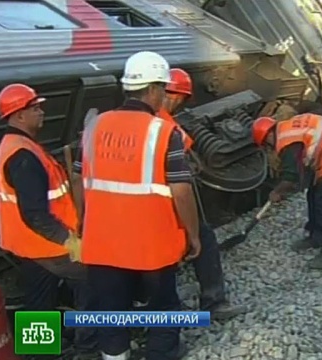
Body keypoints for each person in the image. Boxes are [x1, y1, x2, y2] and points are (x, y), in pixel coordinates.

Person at [81, 51, 199, 360]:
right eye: (163, 88)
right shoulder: (163, 131)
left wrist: (84, 225)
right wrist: (194, 234)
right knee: (163, 306)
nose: (165, 95)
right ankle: (161, 354)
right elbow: (182, 192)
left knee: (112, 310)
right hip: (151, 245)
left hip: (103, 243)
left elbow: (81, 179)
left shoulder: (95, 127)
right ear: (152, 90)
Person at [0, 84, 97, 358]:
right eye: (35, 108)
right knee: (93, 286)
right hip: (50, 246)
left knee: (39, 301)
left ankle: (39, 353)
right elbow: (35, 213)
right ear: (18, 116)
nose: (41, 112)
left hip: (29, 246)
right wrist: (69, 240)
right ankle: (88, 348)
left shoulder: (17, 145)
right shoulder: (23, 157)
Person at [157, 68, 248, 320]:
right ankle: (213, 302)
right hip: (165, 202)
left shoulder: (113, 122)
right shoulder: (166, 123)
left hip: (128, 208)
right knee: (203, 238)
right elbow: (185, 175)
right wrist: (192, 230)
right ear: (175, 96)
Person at [250, 105, 322, 269]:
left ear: (268, 135)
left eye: (267, 145)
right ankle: (315, 235)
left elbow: (290, 176)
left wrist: (277, 192)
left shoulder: (286, 141)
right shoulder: (286, 129)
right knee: (313, 194)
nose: (270, 149)